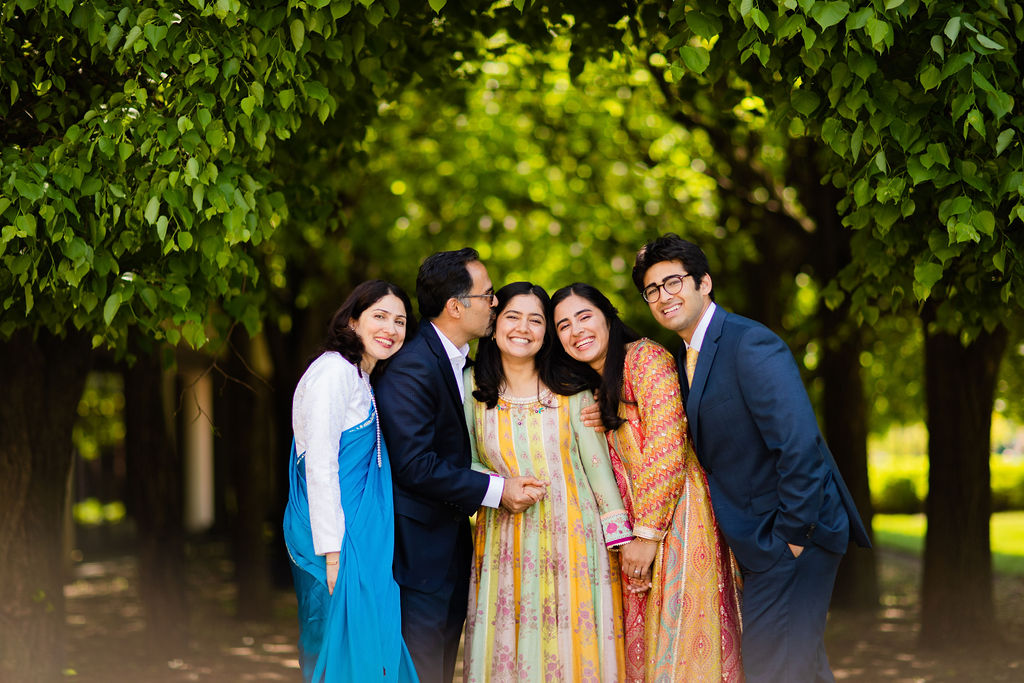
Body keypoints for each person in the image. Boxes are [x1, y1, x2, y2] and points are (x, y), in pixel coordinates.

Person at [631, 234, 872, 683]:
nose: (664, 296)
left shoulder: (748, 343)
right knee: (800, 667)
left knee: (771, 669)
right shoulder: (684, 359)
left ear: (704, 282)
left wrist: (792, 539)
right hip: (763, 541)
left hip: (796, 536)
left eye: (673, 282)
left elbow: (798, 446)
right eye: (652, 290)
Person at [551, 283, 744, 683]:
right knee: (642, 650)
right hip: (628, 532)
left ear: (607, 316)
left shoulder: (645, 358)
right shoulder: (583, 387)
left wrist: (647, 535)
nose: (576, 331)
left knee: (685, 642)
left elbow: (667, 445)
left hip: (678, 517)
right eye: (563, 325)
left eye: (584, 316)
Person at [375, 249, 547, 683]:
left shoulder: (463, 363)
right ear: (455, 306)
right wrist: (498, 490)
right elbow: (414, 465)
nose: (495, 303)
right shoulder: (409, 368)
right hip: (416, 556)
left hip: (448, 549)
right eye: (487, 295)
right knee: (419, 670)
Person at [462, 281, 632, 682]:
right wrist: (500, 488)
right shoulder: (472, 390)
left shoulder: (574, 392)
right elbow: (462, 462)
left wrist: (622, 543)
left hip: (578, 546)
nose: (524, 328)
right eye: (512, 317)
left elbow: (599, 473)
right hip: (506, 548)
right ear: (494, 323)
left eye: (536, 320)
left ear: (547, 333)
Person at [282, 280, 420, 682]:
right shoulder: (333, 372)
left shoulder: (360, 378)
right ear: (353, 321)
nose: (391, 329)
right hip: (334, 545)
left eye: (400, 321)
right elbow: (321, 463)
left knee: (370, 653)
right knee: (335, 656)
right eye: (379, 316)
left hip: (359, 543)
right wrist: (333, 552)